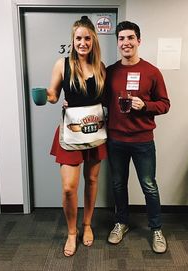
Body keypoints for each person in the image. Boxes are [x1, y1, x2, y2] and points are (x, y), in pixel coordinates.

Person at [106, 21, 170, 253]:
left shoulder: (152, 71)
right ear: (118, 43)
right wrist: (70, 103)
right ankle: (121, 223)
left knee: (149, 186)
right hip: (115, 140)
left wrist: (145, 106)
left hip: (142, 141)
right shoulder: (110, 71)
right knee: (118, 184)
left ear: (139, 41)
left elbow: (165, 104)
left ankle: (156, 229)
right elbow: (98, 100)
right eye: (121, 38)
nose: (126, 42)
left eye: (130, 38)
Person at [47, 16, 107, 257]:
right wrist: (51, 96)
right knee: (69, 188)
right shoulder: (62, 64)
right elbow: (52, 93)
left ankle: (87, 225)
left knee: (91, 182)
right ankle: (72, 232)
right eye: (78, 38)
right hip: (71, 134)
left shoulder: (100, 67)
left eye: (87, 38)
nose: (83, 42)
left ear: (93, 40)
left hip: (94, 132)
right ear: (73, 41)